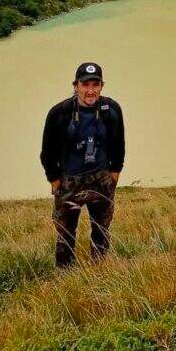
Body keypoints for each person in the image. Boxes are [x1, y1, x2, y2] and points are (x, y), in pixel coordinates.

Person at [40, 62, 125, 267]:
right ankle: (65, 276)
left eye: (95, 85)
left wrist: (114, 174)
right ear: (75, 85)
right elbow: (47, 152)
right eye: (85, 85)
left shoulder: (111, 109)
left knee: (101, 230)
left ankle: (100, 270)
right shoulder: (59, 113)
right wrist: (55, 180)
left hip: (101, 180)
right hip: (70, 182)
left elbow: (119, 144)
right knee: (65, 235)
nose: (90, 91)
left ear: (101, 86)